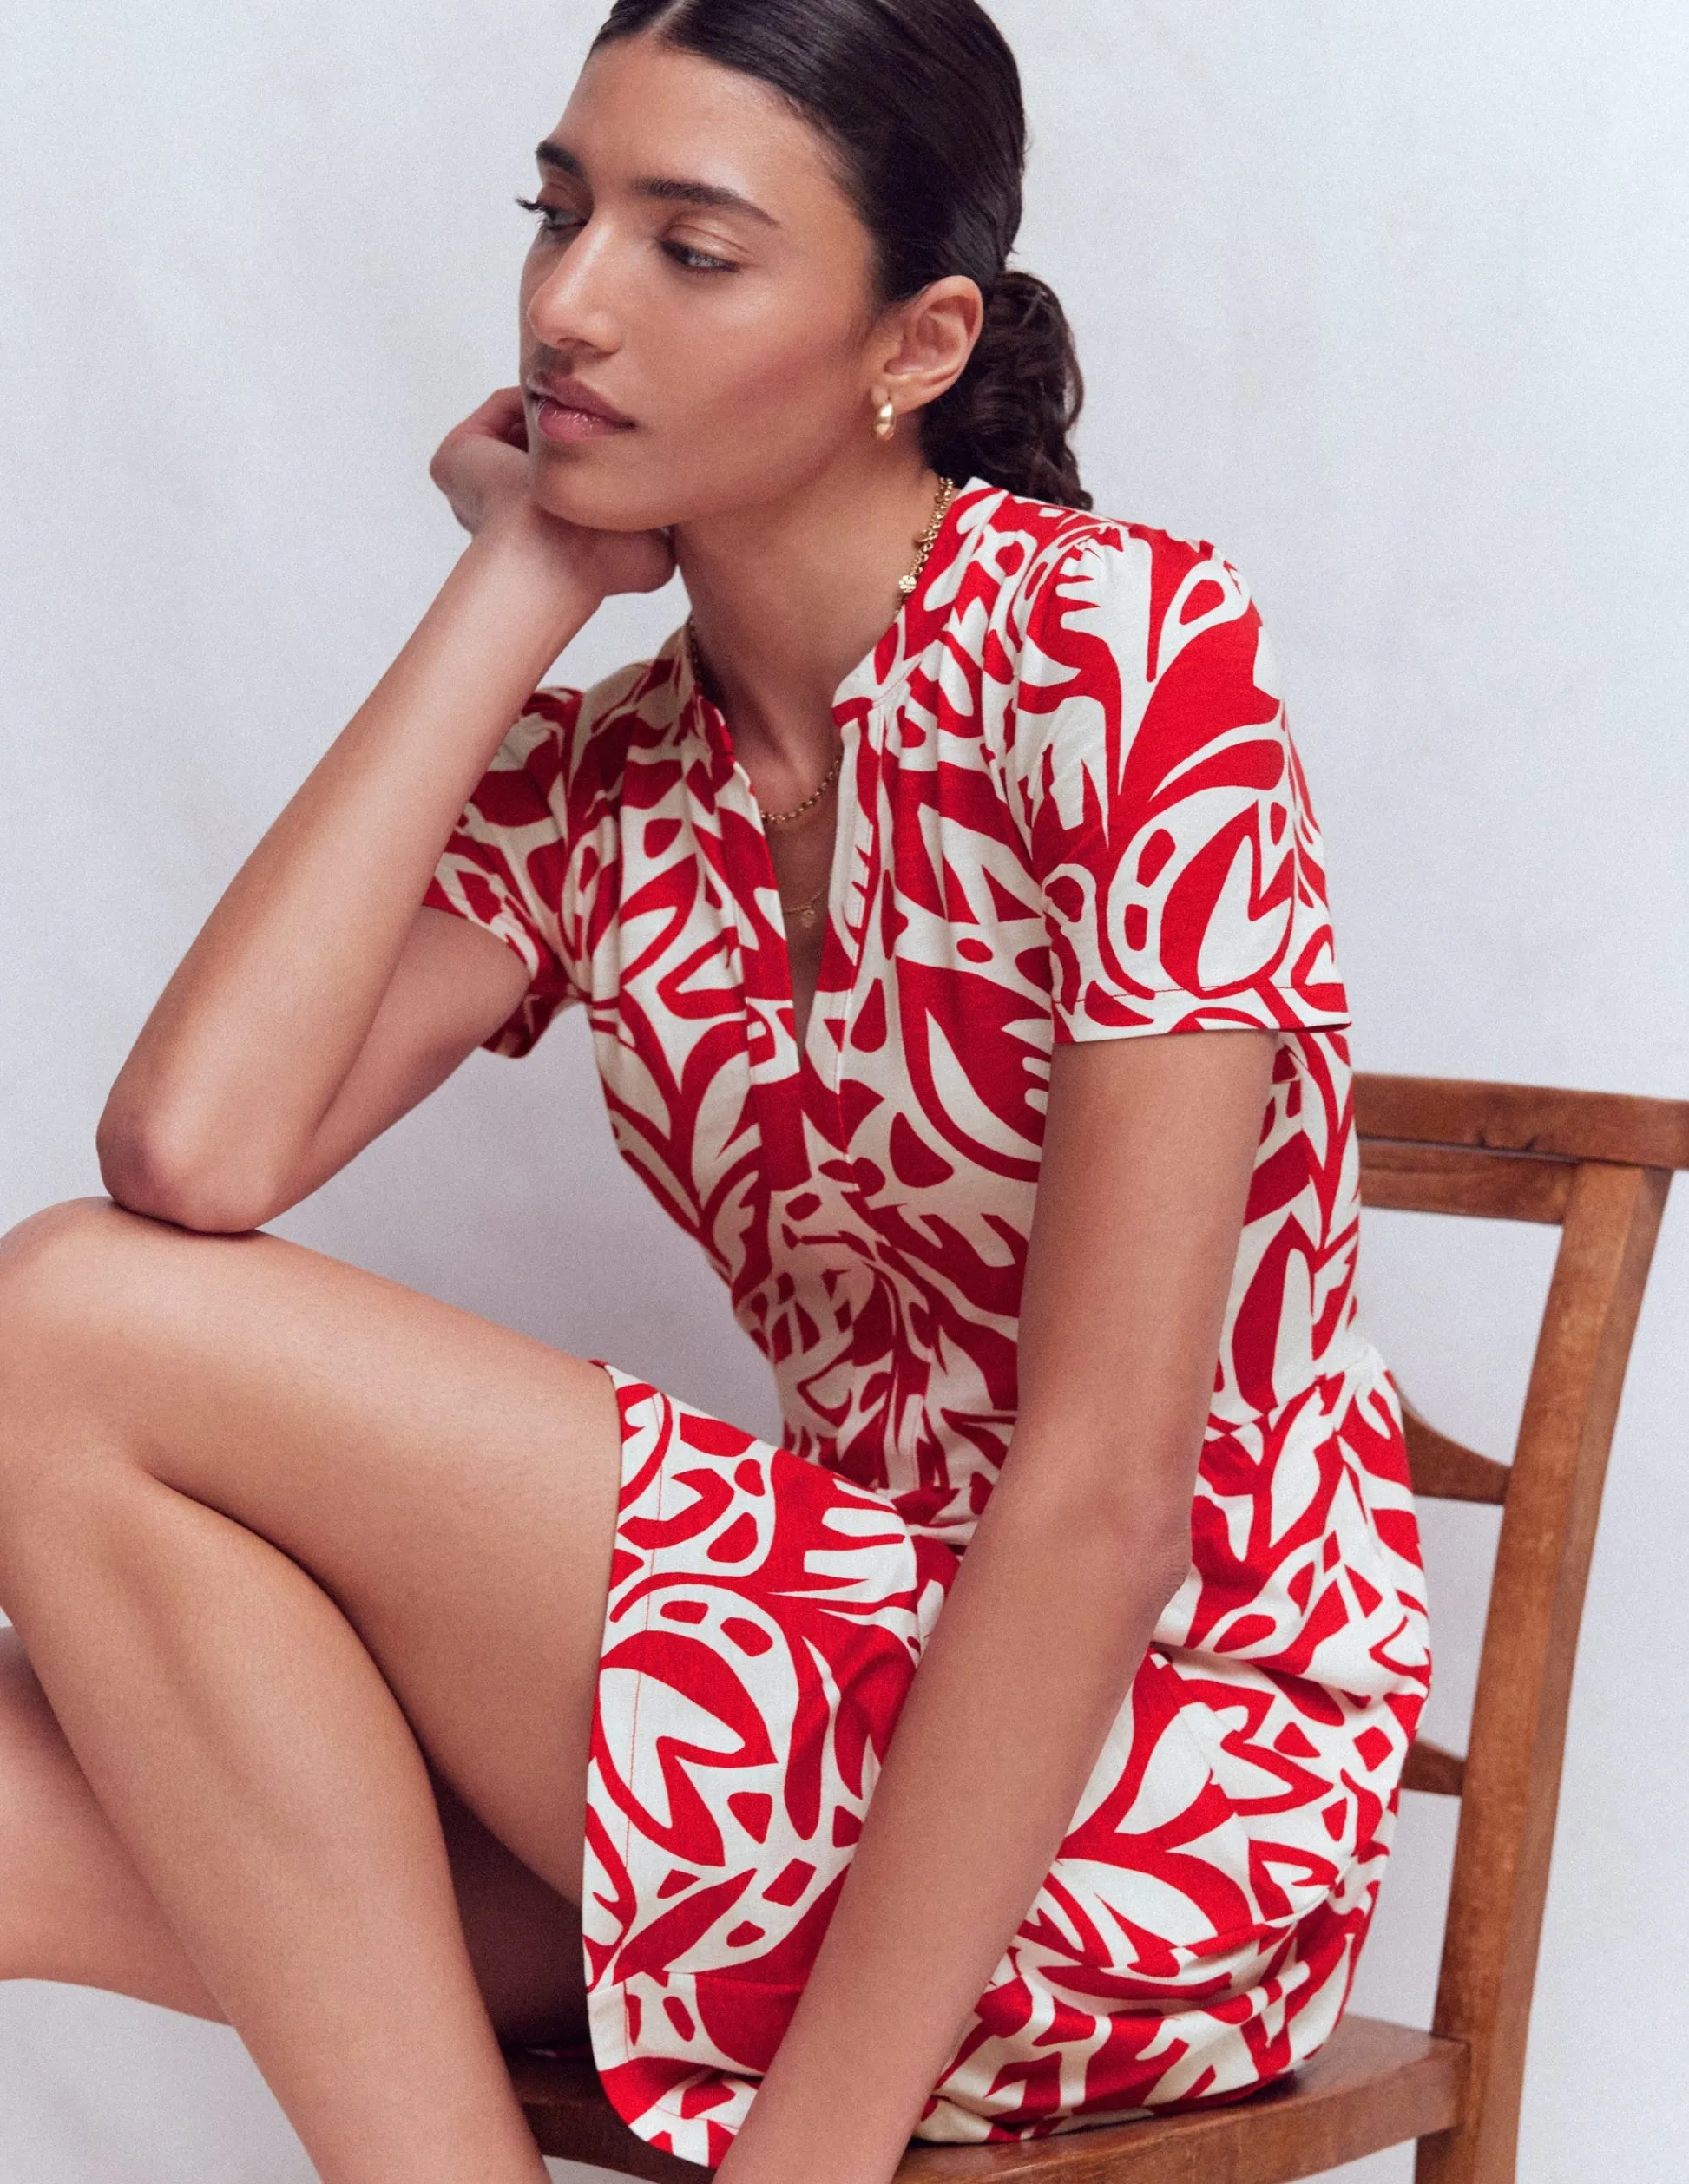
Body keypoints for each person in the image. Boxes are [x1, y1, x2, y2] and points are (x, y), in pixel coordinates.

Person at [0, 3, 1429, 2180]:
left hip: (1144, 1787)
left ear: (912, 342)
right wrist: (520, 574)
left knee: (54, 1316)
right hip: (778, 1754)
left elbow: (1107, 1498)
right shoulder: (612, 777)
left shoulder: (1122, 657)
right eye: (557, 213)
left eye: (689, 248)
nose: (570, 305)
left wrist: (808, 2164)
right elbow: (192, 1149)